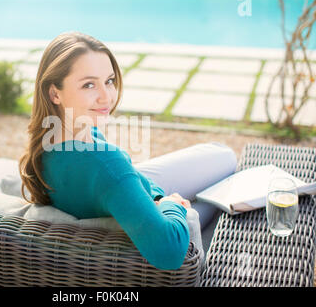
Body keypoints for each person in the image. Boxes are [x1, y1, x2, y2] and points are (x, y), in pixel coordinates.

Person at [19, 31, 237, 270]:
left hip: (120, 189)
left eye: (109, 81)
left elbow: (122, 177)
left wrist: (156, 198)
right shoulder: (105, 164)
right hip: (118, 191)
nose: (106, 97)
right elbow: (169, 252)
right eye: (89, 84)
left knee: (223, 157)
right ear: (54, 93)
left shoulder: (50, 142)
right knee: (222, 174)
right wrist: (171, 204)